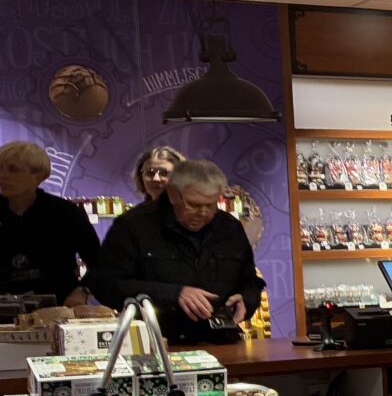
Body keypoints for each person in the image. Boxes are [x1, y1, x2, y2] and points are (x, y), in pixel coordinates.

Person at [92, 158, 261, 342]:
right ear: (173, 194)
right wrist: (174, 294)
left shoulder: (229, 227)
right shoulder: (133, 225)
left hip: (222, 341)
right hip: (157, 343)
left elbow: (250, 282)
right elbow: (106, 285)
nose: (203, 213)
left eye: (211, 205)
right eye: (194, 205)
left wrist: (246, 300)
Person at [0, 140, 99, 307]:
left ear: (39, 176)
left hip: (59, 308)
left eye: (13, 169)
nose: (3, 175)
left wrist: (82, 290)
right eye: (0, 168)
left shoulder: (66, 212)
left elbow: (100, 263)